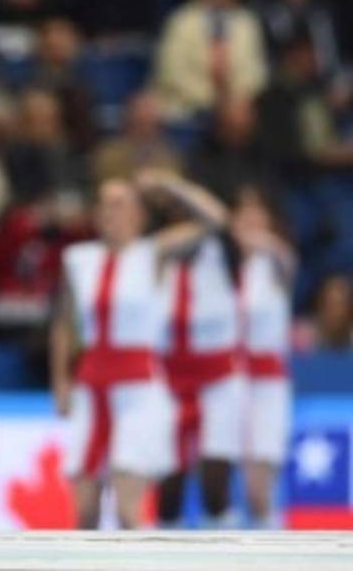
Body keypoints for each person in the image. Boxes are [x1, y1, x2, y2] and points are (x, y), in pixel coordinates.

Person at [50, 169, 228, 529]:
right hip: (91, 385)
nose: (109, 212)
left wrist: (170, 186)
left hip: (139, 388)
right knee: (83, 512)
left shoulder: (154, 253)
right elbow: (64, 325)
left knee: (128, 507)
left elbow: (216, 220)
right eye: (103, 205)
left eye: (119, 204)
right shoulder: (78, 259)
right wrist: (61, 381)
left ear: (139, 215)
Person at [156, 235, 243, 528]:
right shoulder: (156, 253)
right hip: (169, 384)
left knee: (215, 488)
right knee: (168, 494)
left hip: (217, 381)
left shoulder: (226, 252)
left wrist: (172, 187)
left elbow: (221, 222)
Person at [229, 185, 295, 528]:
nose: (249, 219)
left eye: (257, 212)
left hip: (267, 383)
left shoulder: (277, 263)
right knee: (233, 483)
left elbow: (285, 258)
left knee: (260, 488)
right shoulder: (224, 266)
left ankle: (276, 543)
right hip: (230, 381)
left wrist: (257, 238)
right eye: (242, 212)